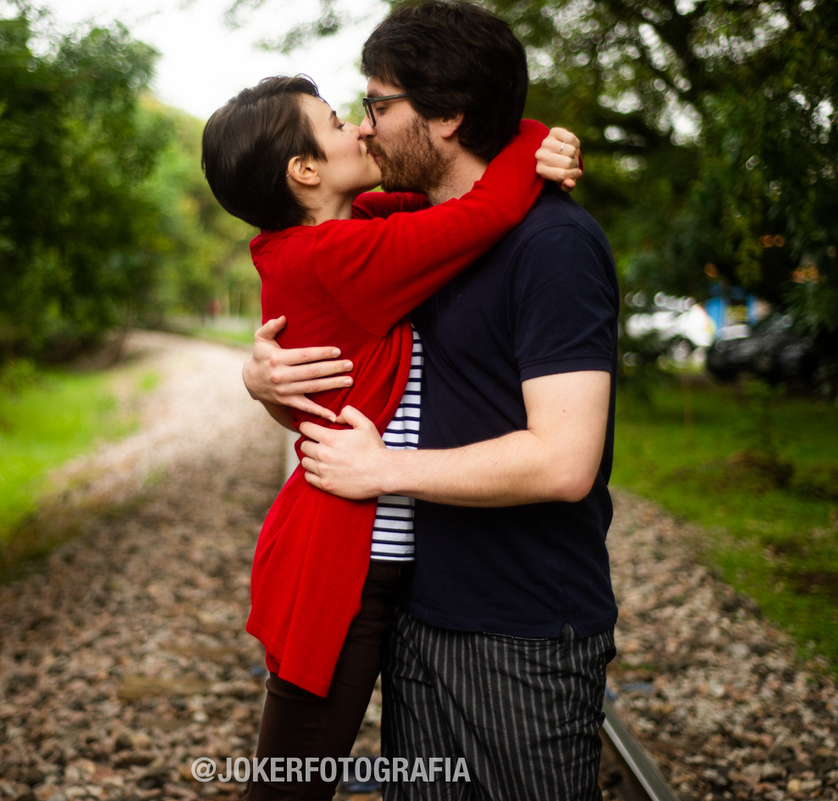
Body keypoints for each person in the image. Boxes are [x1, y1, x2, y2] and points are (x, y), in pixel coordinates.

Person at [242, 2, 620, 799]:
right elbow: (349, 358)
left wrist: (384, 470)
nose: (367, 128)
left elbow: (565, 461)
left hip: (521, 630)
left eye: (377, 105)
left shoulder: (552, 245)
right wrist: (264, 382)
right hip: (420, 616)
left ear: (448, 114)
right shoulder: (413, 240)